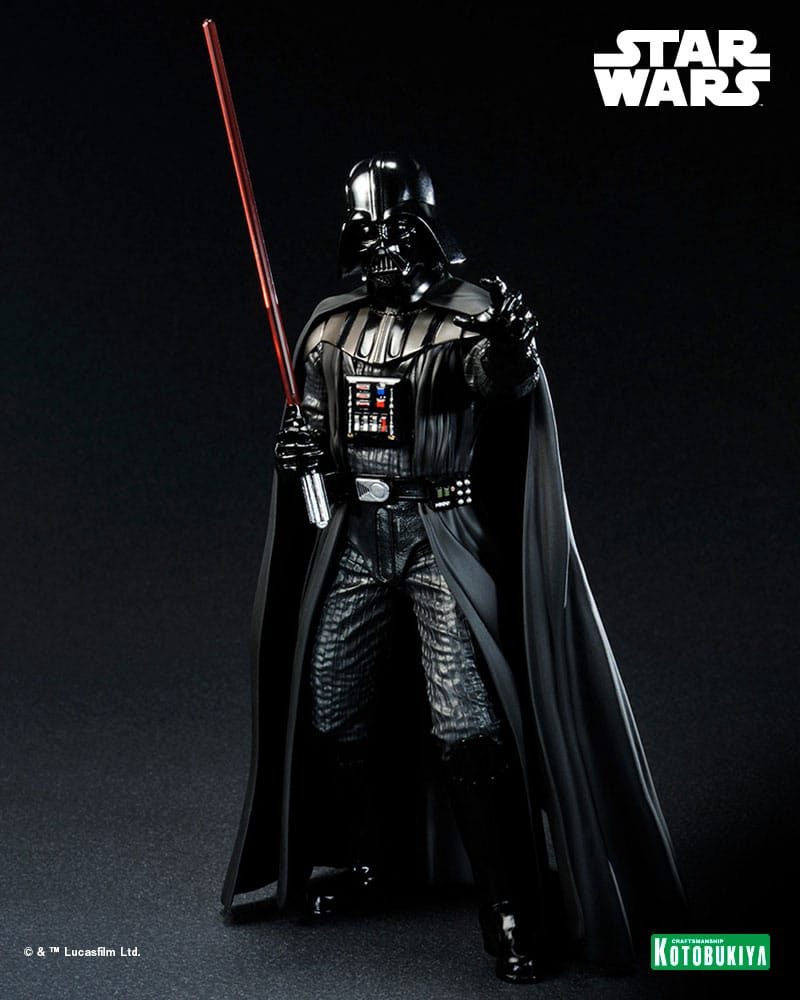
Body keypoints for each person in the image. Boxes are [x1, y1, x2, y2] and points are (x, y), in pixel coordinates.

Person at [221, 152, 686, 984]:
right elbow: (316, 421)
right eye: (366, 231)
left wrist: (510, 345)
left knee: (467, 718)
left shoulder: (468, 317)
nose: (383, 248)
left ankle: (509, 905)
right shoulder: (328, 325)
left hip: (440, 532)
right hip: (356, 534)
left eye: (399, 231)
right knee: (330, 699)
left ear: (430, 231)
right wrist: (299, 446)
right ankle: (371, 865)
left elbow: (501, 385)